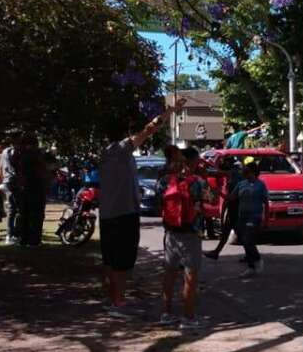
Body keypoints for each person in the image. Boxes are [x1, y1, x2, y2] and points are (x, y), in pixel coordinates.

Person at [99, 100, 185, 318]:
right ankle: (118, 303)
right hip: (123, 214)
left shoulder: (106, 153)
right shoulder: (121, 149)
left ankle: (112, 299)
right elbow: (149, 129)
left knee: (110, 259)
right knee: (123, 261)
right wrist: (171, 111)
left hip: (108, 214)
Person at [159, 147, 209, 329]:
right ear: (192, 162)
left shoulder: (166, 180)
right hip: (191, 233)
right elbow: (210, 200)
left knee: (169, 274)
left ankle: (165, 313)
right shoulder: (198, 182)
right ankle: (188, 317)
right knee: (191, 275)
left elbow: (160, 200)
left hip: (171, 233)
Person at [230, 161, 269, 277]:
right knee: (244, 241)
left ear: (254, 172)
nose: (245, 174)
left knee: (248, 240)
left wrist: (265, 219)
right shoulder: (241, 184)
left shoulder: (260, 185)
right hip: (242, 216)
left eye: (247, 171)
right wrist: (216, 192)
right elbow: (231, 197)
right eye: (244, 171)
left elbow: (266, 203)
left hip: (254, 217)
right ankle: (251, 267)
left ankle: (257, 259)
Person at [203, 155, 242, 261]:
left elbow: (215, 172)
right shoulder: (236, 172)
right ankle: (216, 252)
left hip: (234, 205)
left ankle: (252, 255)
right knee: (228, 230)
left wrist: (218, 192)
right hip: (234, 205)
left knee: (231, 230)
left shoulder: (232, 173)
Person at [17, 134, 49, 247]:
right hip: (36, 186)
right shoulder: (37, 155)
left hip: (24, 187)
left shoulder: (21, 155)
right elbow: (43, 169)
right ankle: (34, 241)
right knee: (37, 214)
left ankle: (23, 239)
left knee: (24, 214)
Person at [0, 134, 20, 245]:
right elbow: (18, 168)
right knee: (14, 210)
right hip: (14, 182)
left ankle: (12, 234)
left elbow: (1, 168)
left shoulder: (3, 153)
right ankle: (11, 235)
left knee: (12, 209)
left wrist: (3, 180)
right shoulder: (14, 152)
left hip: (7, 182)